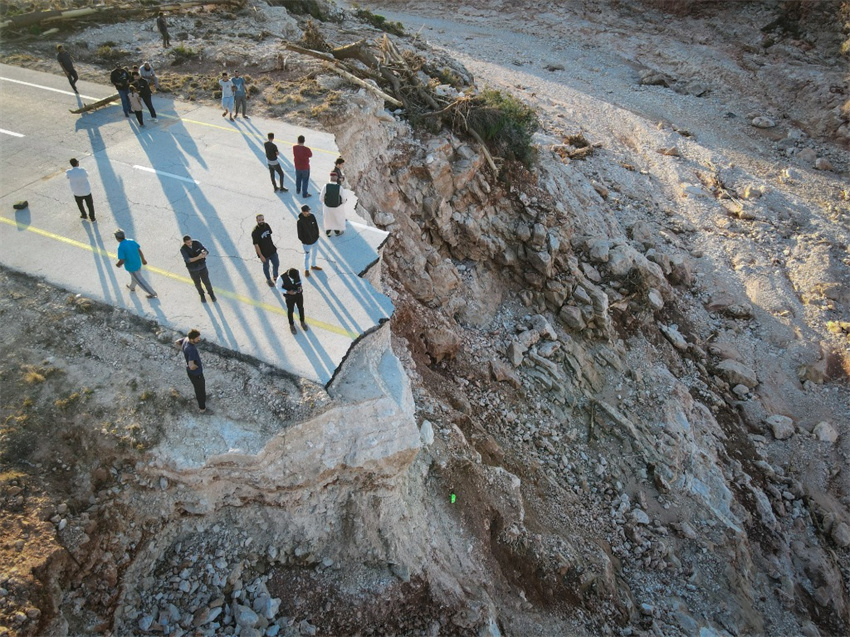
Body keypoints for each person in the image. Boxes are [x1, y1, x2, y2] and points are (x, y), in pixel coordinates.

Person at [114, 229, 157, 299]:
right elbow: (139, 250)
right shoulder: (131, 241)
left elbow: (122, 260)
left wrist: (118, 264)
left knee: (140, 281)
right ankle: (132, 287)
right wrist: (143, 259)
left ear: (117, 238)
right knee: (135, 277)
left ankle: (153, 293)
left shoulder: (121, 247)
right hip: (137, 263)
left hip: (132, 268)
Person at [174, 329, 207, 413]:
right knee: (200, 390)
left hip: (191, 373)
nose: (199, 339)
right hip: (196, 373)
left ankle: (203, 399)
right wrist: (196, 366)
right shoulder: (192, 349)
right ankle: (202, 408)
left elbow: (177, 342)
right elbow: (191, 365)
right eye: (197, 338)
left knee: (199, 388)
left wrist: (183, 350)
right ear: (192, 339)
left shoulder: (186, 339)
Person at [180, 235, 216, 303]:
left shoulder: (196, 243)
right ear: (185, 243)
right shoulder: (183, 249)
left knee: (206, 281)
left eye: (190, 241)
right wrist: (198, 257)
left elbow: (205, 250)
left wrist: (204, 253)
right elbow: (188, 260)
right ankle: (202, 295)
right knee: (197, 283)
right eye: (188, 243)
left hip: (202, 267)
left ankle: (211, 294)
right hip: (193, 269)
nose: (190, 243)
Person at [275, 268, 308, 335]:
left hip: (299, 295)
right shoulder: (281, 278)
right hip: (289, 297)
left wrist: (301, 286)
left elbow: (302, 280)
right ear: (288, 275)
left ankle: (302, 321)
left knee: (301, 308)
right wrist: (287, 292)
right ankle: (291, 325)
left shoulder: (298, 272)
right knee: (290, 310)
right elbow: (278, 287)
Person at [252, 214, 280, 287]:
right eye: (259, 220)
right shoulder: (255, 232)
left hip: (272, 250)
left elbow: (269, 235)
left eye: (262, 219)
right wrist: (261, 256)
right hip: (264, 254)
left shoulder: (266, 225)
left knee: (276, 264)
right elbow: (256, 245)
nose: (261, 221)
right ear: (257, 221)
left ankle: (275, 276)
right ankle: (268, 279)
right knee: (266, 266)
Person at [296, 205, 321, 277]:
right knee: (307, 256)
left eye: (309, 210)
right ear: (303, 212)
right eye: (307, 211)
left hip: (315, 240)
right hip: (307, 243)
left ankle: (313, 265)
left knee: (314, 254)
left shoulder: (312, 216)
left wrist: (317, 235)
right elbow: (299, 234)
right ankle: (306, 269)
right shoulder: (300, 222)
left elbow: (316, 226)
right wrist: (305, 241)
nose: (309, 212)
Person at [320, 172, 347, 236]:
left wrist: (325, 202)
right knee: (336, 218)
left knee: (328, 219)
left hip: (327, 206)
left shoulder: (325, 186)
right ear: (336, 178)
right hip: (337, 207)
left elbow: (321, 198)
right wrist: (342, 204)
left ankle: (328, 232)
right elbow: (344, 199)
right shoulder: (339, 187)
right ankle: (337, 231)